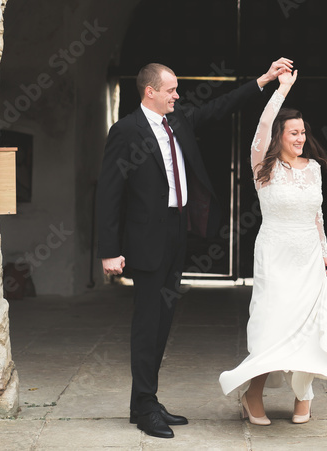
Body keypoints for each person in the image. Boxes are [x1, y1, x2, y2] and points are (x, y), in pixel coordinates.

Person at [96, 58, 292, 439]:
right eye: (171, 90)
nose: (177, 95)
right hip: (146, 239)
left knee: (164, 320)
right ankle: (144, 404)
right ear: (149, 91)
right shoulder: (126, 131)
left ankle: (146, 402)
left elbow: (220, 106)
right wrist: (109, 249)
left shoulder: (178, 120)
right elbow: (109, 192)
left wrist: (264, 80)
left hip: (177, 231)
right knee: (147, 322)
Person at [219, 69, 327, 425]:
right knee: (271, 325)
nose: (301, 138)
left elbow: (317, 214)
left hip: (308, 255)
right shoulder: (264, 164)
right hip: (275, 254)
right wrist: (282, 89)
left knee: (310, 327)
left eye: (303, 132)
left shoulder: (314, 169)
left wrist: (325, 252)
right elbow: (262, 125)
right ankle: (252, 394)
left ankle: (303, 395)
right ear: (279, 135)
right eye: (294, 132)